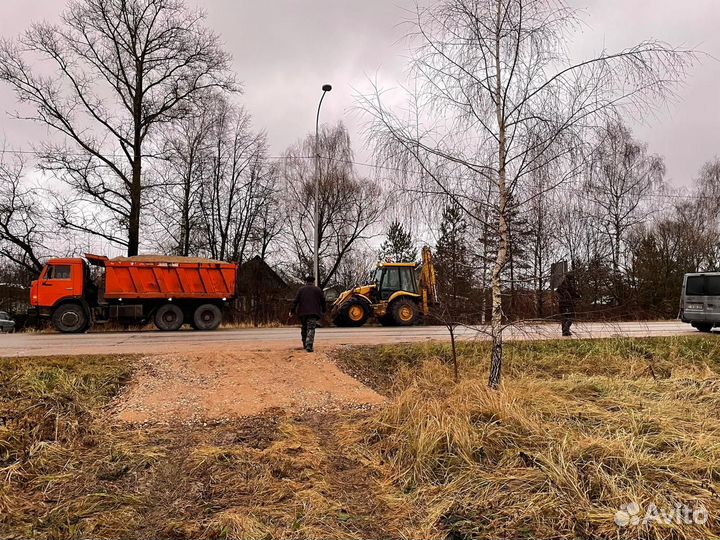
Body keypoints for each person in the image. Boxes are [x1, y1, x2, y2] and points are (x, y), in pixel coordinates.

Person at [291, 275, 327, 352]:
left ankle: (304, 343)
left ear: (306, 281)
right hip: (313, 312)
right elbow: (323, 301)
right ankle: (309, 345)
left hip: (302, 313)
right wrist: (324, 310)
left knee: (304, 327)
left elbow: (296, 301)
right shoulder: (318, 290)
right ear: (313, 281)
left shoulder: (301, 290)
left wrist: (292, 311)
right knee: (311, 328)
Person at [556, 271, 580, 337]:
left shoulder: (562, 285)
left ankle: (565, 331)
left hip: (562, 303)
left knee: (565, 317)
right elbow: (571, 293)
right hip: (567, 303)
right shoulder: (568, 285)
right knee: (571, 317)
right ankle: (566, 329)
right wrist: (576, 296)